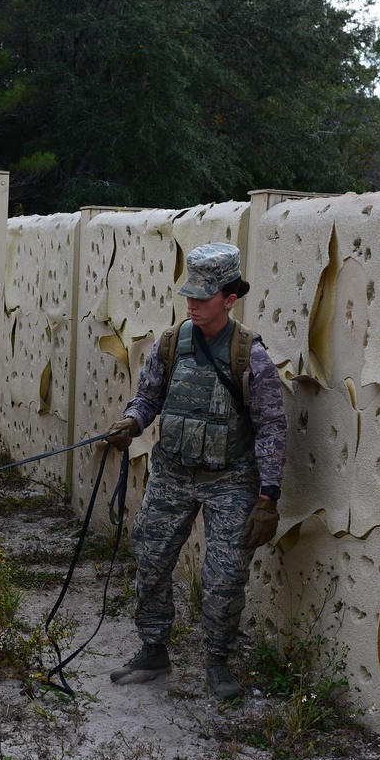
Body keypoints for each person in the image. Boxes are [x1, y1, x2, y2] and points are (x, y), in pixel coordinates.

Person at [103, 242, 287, 701]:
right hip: (172, 472)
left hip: (231, 479)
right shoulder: (170, 344)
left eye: (203, 297)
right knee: (150, 556)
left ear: (230, 298)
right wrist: (131, 422)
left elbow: (271, 429)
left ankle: (218, 662)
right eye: (189, 295)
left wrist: (268, 498)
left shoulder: (252, 358)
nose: (192, 304)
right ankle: (152, 648)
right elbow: (149, 398)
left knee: (225, 577)